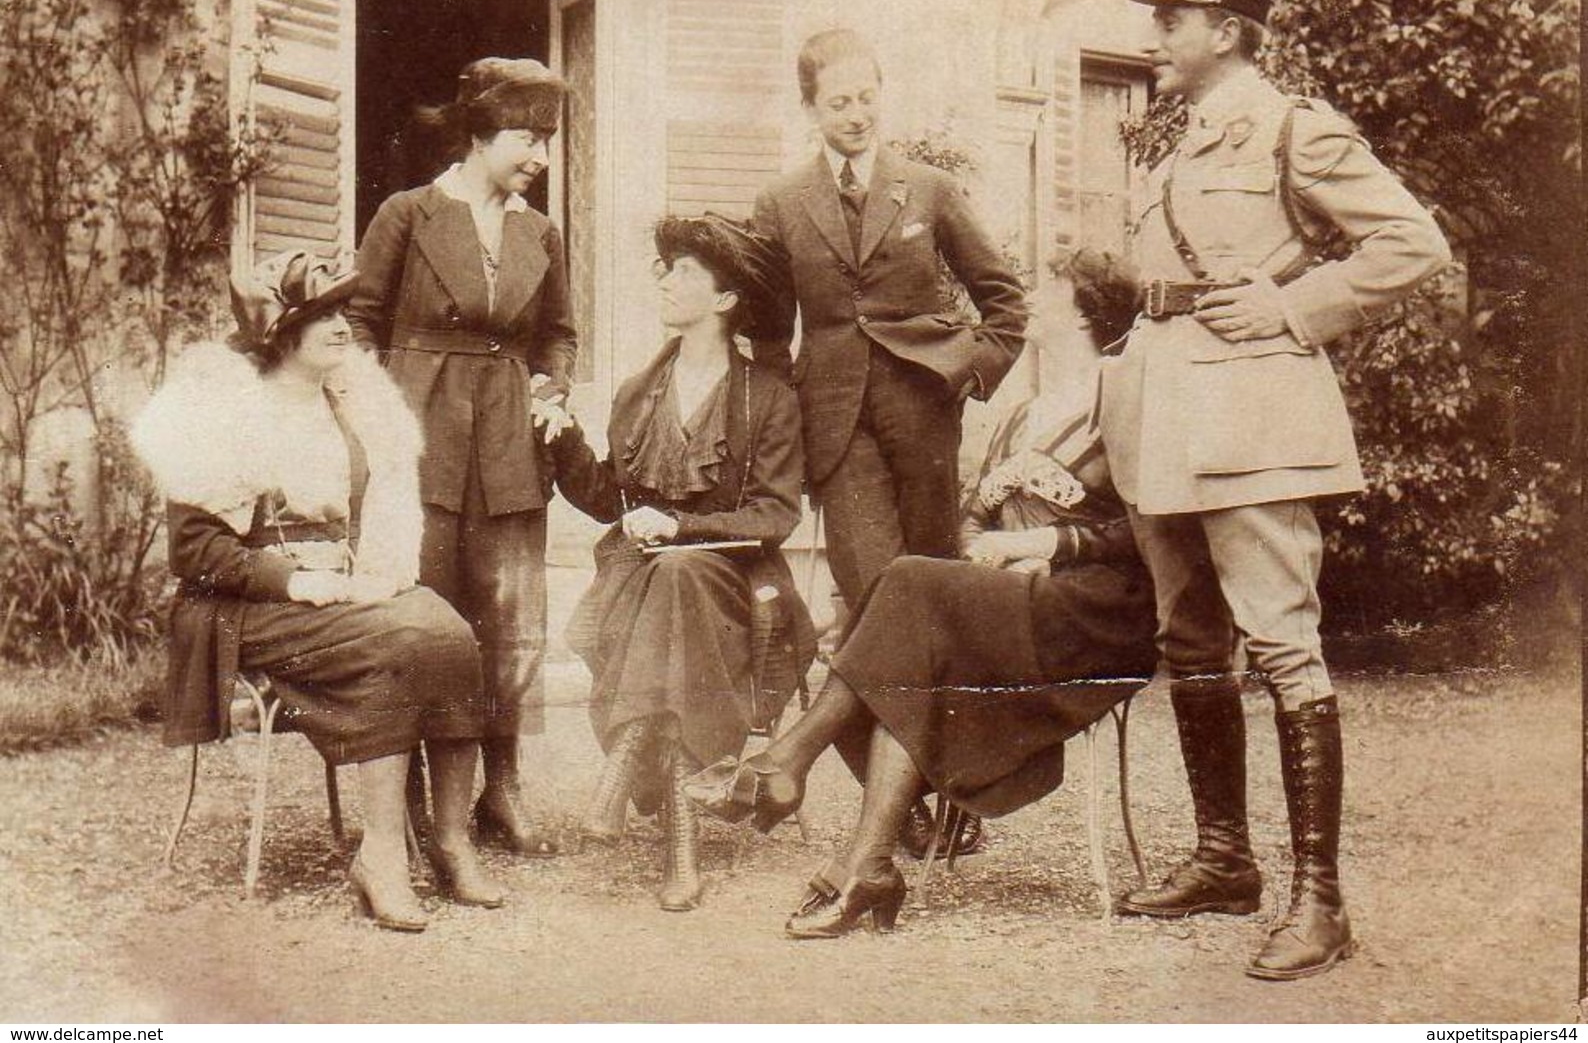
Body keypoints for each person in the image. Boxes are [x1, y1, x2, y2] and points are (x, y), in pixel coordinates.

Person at [1098, 0, 1452, 980]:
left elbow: (1411, 244)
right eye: (1157, 18)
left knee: (1283, 647)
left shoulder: (1297, 130)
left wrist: (1295, 309)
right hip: (1164, 416)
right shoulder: (1181, 143)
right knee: (1190, 640)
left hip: (1252, 423)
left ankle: (1320, 901)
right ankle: (1222, 858)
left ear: (1229, 32)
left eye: (1175, 20)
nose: (1155, 36)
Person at [685, 252, 1156, 938]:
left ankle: (784, 763)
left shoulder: (1122, 397)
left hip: (1097, 611)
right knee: (910, 653)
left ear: (1083, 312)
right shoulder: (1024, 410)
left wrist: (1038, 548)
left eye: (1045, 292)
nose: (1028, 303)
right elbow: (974, 514)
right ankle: (868, 863)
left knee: (905, 582)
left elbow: (1147, 531)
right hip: (1016, 603)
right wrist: (981, 557)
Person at [132, 251, 507, 933]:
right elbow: (195, 552)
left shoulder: (357, 403)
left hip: (343, 587)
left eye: (343, 312)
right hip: (247, 604)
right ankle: (383, 855)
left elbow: (383, 517)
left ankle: (451, 839)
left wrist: (370, 573)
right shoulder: (223, 411)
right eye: (322, 315)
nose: (343, 326)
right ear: (280, 329)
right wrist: (294, 579)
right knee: (396, 640)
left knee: (449, 631)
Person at [349, 57, 579, 858]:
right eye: (526, 137)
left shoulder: (538, 231)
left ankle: (501, 786)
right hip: (419, 430)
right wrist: (374, 423)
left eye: (546, 139)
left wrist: (551, 387)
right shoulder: (407, 215)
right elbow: (362, 324)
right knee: (425, 614)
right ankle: (409, 796)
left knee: (509, 620)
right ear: (479, 136)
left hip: (510, 437)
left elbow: (557, 332)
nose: (540, 156)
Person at [552, 214, 813, 912]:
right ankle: (680, 846)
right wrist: (563, 444)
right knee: (668, 584)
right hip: (640, 581)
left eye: (684, 273)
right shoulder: (639, 393)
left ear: (726, 301)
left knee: (680, 575)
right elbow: (612, 497)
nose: (665, 283)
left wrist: (681, 526)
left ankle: (629, 766)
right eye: (665, 270)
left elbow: (774, 517)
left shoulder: (769, 399)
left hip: (735, 579)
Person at [751, 27, 1028, 611]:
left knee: (932, 573)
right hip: (833, 418)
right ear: (809, 108)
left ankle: (933, 702)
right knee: (872, 581)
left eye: (867, 97)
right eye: (839, 103)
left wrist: (969, 372)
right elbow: (770, 332)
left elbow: (1004, 298)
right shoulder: (781, 200)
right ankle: (893, 697)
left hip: (924, 405)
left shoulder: (930, 188)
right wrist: (785, 413)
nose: (858, 115)